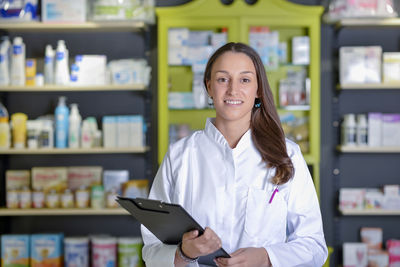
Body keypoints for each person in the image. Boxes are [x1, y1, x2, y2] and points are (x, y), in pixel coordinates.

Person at [141, 42, 328, 267]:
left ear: (258, 89)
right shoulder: (180, 155)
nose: (233, 90)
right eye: (222, 79)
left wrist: (266, 257)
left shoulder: (287, 155)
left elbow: (314, 246)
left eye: (245, 80)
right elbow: (151, 248)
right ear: (209, 87)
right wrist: (183, 253)